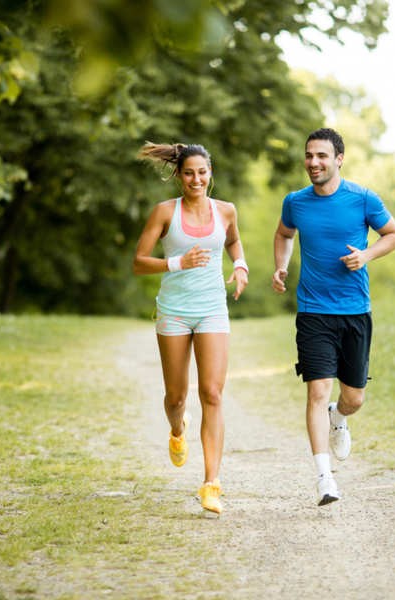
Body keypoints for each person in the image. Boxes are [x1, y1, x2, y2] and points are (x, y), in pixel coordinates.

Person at [271, 128, 395, 506]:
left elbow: (393, 235)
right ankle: (324, 478)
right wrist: (281, 265)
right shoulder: (295, 202)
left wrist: (366, 256)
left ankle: (339, 418)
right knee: (316, 390)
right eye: (309, 156)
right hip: (313, 312)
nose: (314, 163)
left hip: (354, 311)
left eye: (322, 156)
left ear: (339, 159)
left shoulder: (362, 199)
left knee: (354, 398)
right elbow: (283, 234)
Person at [133, 141, 248, 516]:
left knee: (212, 393)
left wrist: (241, 264)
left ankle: (211, 484)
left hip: (213, 308)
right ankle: (177, 429)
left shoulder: (226, 211)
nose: (196, 179)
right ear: (179, 175)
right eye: (188, 173)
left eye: (202, 172)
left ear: (210, 173)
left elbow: (232, 241)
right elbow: (139, 262)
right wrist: (177, 262)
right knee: (176, 398)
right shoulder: (165, 212)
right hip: (175, 311)